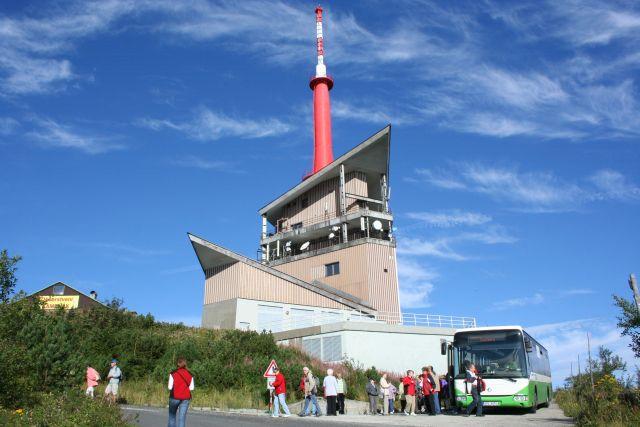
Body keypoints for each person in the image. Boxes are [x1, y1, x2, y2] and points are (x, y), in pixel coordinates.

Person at [168, 357, 194, 427]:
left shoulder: (173, 373)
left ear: (178, 364)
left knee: (172, 417)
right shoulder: (190, 374)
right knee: (182, 419)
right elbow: (191, 388)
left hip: (174, 397)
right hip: (185, 399)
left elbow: (169, 387)